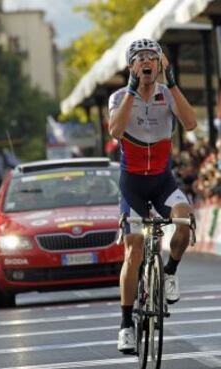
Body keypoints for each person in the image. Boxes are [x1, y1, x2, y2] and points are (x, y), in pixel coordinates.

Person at [108, 39, 197, 354]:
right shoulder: (119, 97)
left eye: (152, 58)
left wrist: (172, 83)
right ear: (132, 66)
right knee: (133, 249)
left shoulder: (167, 95)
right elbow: (116, 131)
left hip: (162, 182)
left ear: (160, 65)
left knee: (184, 219)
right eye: (140, 58)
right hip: (132, 185)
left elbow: (190, 123)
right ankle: (125, 325)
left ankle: (170, 272)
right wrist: (132, 90)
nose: (146, 62)